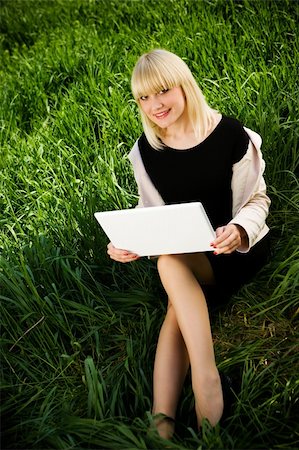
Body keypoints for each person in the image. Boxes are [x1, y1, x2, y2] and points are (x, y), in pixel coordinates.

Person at [107, 49, 271, 439]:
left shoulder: (232, 136)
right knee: (168, 264)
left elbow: (258, 199)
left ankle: (191, 394)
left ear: (184, 85)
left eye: (162, 91)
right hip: (187, 254)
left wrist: (240, 229)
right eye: (143, 97)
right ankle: (175, 411)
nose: (154, 105)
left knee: (172, 288)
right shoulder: (146, 151)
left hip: (233, 250)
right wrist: (129, 242)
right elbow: (152, 213)